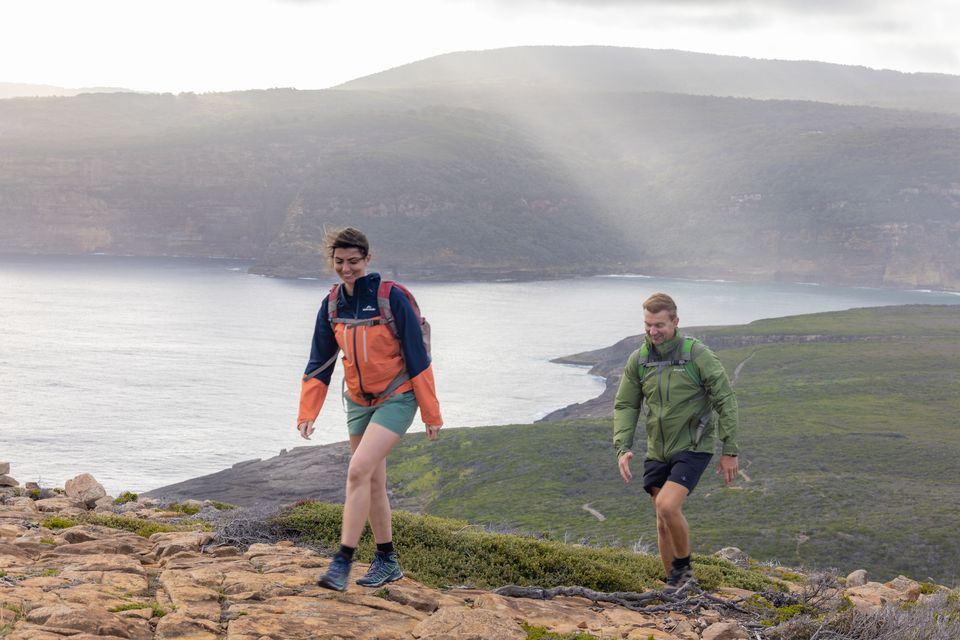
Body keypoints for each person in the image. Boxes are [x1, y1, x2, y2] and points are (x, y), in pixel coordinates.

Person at [296, 227, 443, 592]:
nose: (346, 269)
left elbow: (417, 356)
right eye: (340, 261)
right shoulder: (332, 304)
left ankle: (342, 561)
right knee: (373, 481)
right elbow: (320, 361)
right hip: (358, 402)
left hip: (398, 397)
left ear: (367, 259)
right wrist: (308, 410)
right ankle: (387, 560)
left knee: (357, 469)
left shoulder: (390, 298)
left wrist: (430, 412)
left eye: (353, 262)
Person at [613, 292, 739, 591]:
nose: (653, 332)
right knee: (661, 518)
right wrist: (623, 446)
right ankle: (674, 587)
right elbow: (626, 405)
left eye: (659, 325)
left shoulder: (697, 355)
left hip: (693, 446)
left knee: (668, 506)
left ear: (675, 322)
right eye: (648, 325)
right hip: (658, 449)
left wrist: (730, 449)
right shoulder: (640, 359)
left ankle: (685, 572)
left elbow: (725, 400)